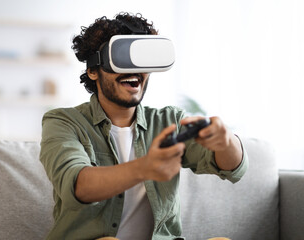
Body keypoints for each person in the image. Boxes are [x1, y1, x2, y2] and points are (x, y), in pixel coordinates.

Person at [40, 12, 248, 240]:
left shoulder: (169, 122)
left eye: (141, 59)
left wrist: (226, 142)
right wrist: (145, 167)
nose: (134, 70)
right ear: (92, 70)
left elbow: (233, 168)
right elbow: (78, 186)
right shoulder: (63, 122)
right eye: (121, 58)